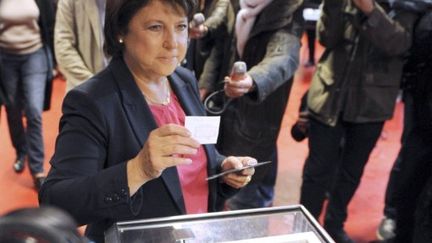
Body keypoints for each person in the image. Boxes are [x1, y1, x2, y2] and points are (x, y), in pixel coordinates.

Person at [39, 0, 256, 242]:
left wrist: (222, 167)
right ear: (121, 31)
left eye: (181, 27)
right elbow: (56, 203)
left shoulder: (183, 80)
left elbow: (191, 156)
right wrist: (138, 169)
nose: (173, 43)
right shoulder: (92, 101)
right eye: (155, 27)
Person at [299, 0, 417, 242]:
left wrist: (369, 11)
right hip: (330, 93)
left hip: (372, 103)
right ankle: (304, 227)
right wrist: (332, 6)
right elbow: (325, 39)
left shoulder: (409, 5)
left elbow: (400, 44)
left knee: (351, 172)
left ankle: (334, 224)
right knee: (317, 170)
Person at [199, 0, 304, 210]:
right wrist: (205, 86)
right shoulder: (237, 4)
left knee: (247, 189)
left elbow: (285, 57)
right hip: (225, 108)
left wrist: (253, 80)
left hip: (258, 112)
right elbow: (222, 47)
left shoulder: (288, 9)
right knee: (221, 177)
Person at [0, 0, 55, 190]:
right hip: (6, 58)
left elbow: (50, 23)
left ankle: (37, 170)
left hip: (35, 55)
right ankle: (21, 151)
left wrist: (54, 60)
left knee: (33, 110)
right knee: (12, 108)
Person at [54, 0, 107, 92]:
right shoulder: (69, 2)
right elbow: (63, 48)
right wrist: (93, 83)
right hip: (84, 88)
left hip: (121, 87)